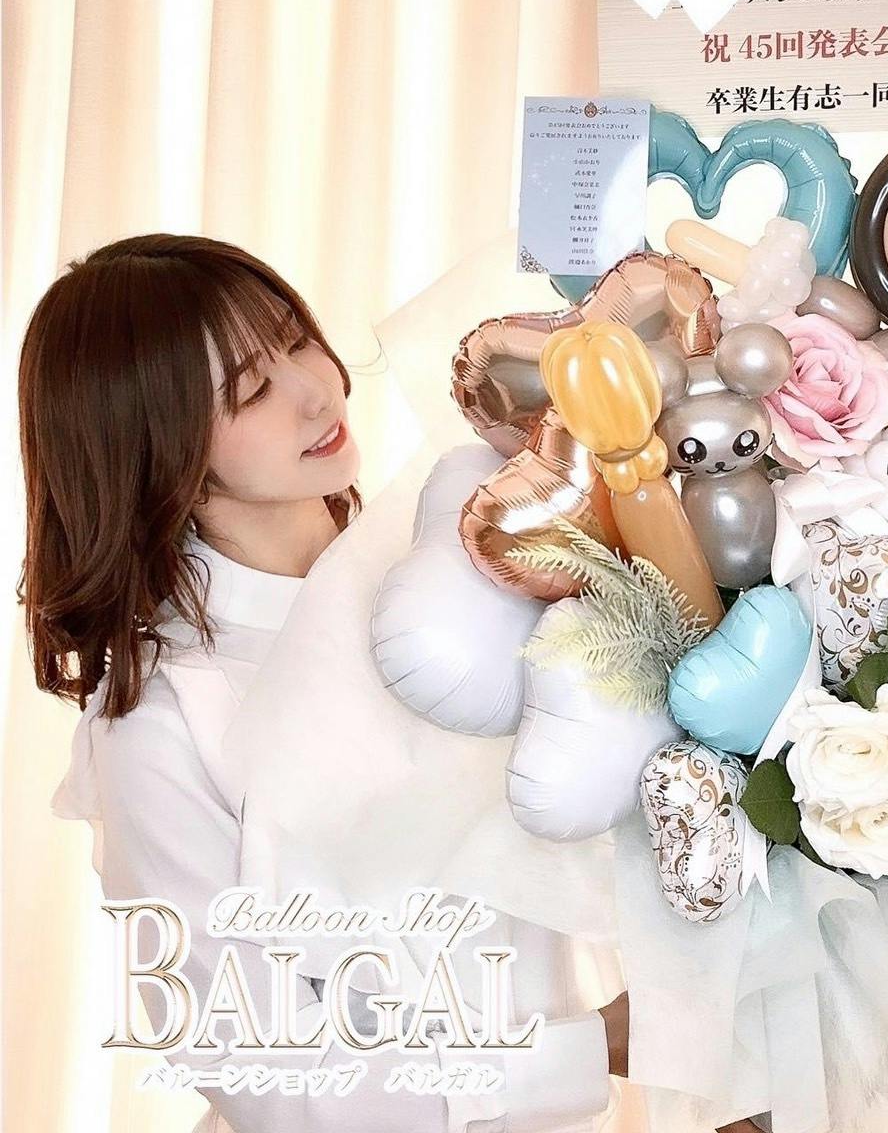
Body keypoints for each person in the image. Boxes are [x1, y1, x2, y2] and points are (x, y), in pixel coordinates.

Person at [17, 233, 631, 1133]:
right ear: (156, 450)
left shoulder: (456, 566)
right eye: (250, 391)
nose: (313, 391)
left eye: (296, 339)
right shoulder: (163, 723)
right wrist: (594, 1047)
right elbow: (275, 1082)